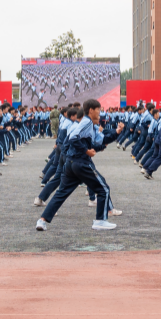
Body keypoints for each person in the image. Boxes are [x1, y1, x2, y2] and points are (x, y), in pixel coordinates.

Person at [35, 98, 123, 231]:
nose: (100, 113)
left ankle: (42, 221)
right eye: (98, 110)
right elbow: (73, 138)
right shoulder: (86, 122)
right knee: (103, 188)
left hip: (71, 164)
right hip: (80, 162)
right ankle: (100, 221)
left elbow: (101, 141)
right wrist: (86, 151)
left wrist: (117, 133)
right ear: (91, 110)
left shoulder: (90, 126)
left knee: (61, 193)